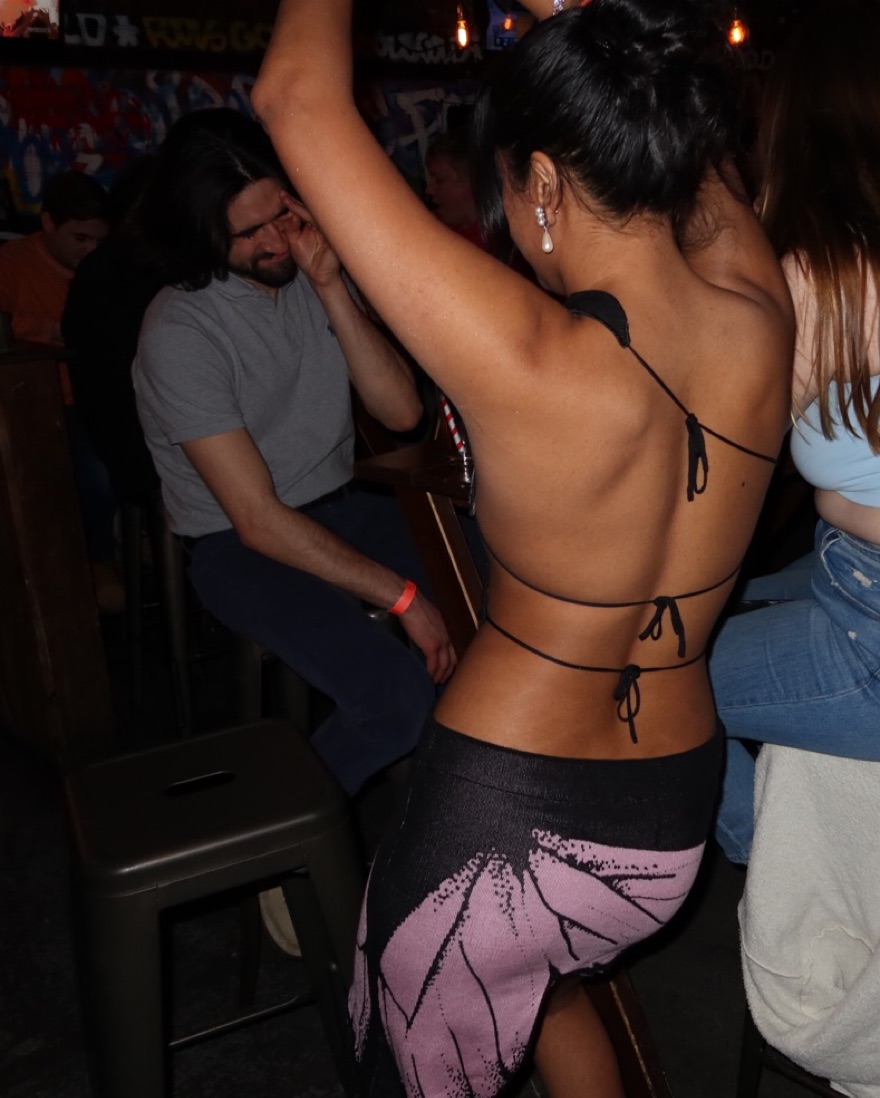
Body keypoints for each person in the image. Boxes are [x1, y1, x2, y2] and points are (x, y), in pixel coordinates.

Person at [253, 0, 792, 1094]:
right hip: (665, 823)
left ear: (541, 181)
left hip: (502, 825)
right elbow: (697, 159)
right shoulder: (760, 310)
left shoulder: (527, 353)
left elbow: (293, 96)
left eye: (509, 189)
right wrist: (590, 35)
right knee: (549, 989)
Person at [132, 108, 455, 796]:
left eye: (281, 214)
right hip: (238, 545)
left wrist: (332, 286)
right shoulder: (180, 330)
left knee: (504, 597)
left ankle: (468, 803)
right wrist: (403, 597)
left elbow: (401, 412)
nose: (278, 241)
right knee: (395, 702)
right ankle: (273, 833)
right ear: (200, 230)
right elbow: (257, 520)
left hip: (345, 506)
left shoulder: (311, 269)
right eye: (250, 232)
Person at [708, 0, 880, 866]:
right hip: (845, 571)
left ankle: (790, 892)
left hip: (870, 617)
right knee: (739, 598)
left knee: (633, 685)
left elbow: (708, 456)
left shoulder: (820, 279)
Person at [0, 170, 122, 613]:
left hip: (101, 396)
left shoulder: (107, 268)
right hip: (47, 404)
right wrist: (55, 331)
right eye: (80, 239)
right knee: (95, 471)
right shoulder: (12, 262)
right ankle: (98, 561)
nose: (90, 250)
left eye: (98, 241)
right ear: (48, 223)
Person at [424, 128, 486, 249]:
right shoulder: (430, 227)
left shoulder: (501, 248)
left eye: (439, 180)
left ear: (473, 182)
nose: (429, 190)